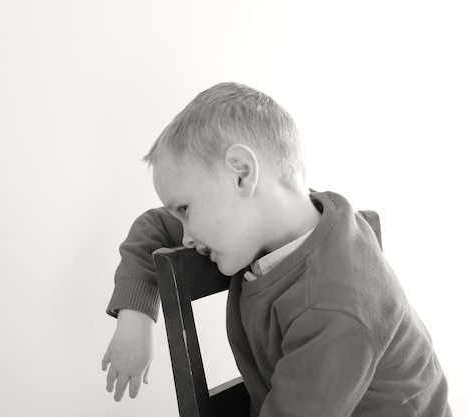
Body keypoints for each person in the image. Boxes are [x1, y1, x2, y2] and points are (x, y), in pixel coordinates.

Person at [101, 82, 451, 416]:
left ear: (241, 174)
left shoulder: (335, 305)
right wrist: (137, 317)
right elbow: (154, 227)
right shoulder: (278, 225)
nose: (187, 236)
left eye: (186, 210)